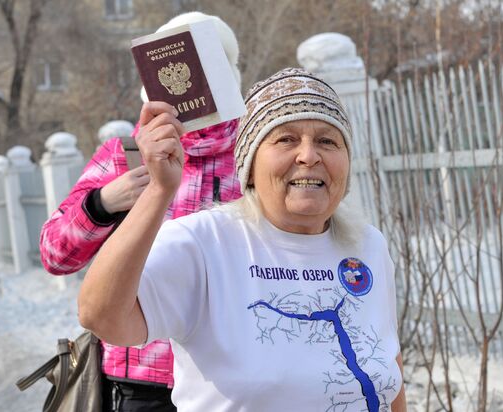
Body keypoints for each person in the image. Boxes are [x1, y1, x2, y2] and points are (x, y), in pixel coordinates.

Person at [78, 68, 407, 411]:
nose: (309, 155)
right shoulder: (203, 242)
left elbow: (387, 371)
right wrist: (159, 190)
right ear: (249, 164)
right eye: (286, 139)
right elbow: (101, 316)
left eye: (328, 141)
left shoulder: (368, 246)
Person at [39, 11, 243, 411]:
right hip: (140, 383)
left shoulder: (255, 157)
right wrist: (103, 203)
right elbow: (54, 254)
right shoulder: (124, 156)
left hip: (230, 376)